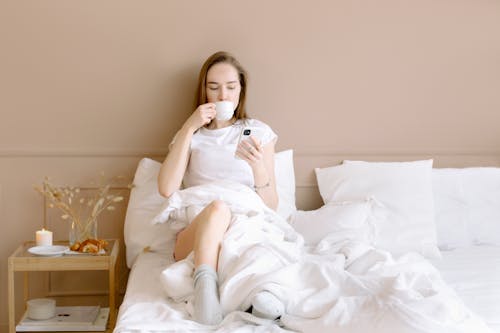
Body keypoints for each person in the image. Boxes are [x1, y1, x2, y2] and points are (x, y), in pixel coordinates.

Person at [158, 51, 284, 325]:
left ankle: (255, 296)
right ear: (204, 92)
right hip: (194, 233)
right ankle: (207, 297)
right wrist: (189, 127)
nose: (222, 96)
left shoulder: (258, 131)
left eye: (230, 87)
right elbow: (167, 189)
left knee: (250, 239)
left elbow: (271, 206)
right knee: (217, 208)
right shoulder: (191, 135)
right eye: (213, 88)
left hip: (244, 223)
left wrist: (258, 167)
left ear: (241, 91)